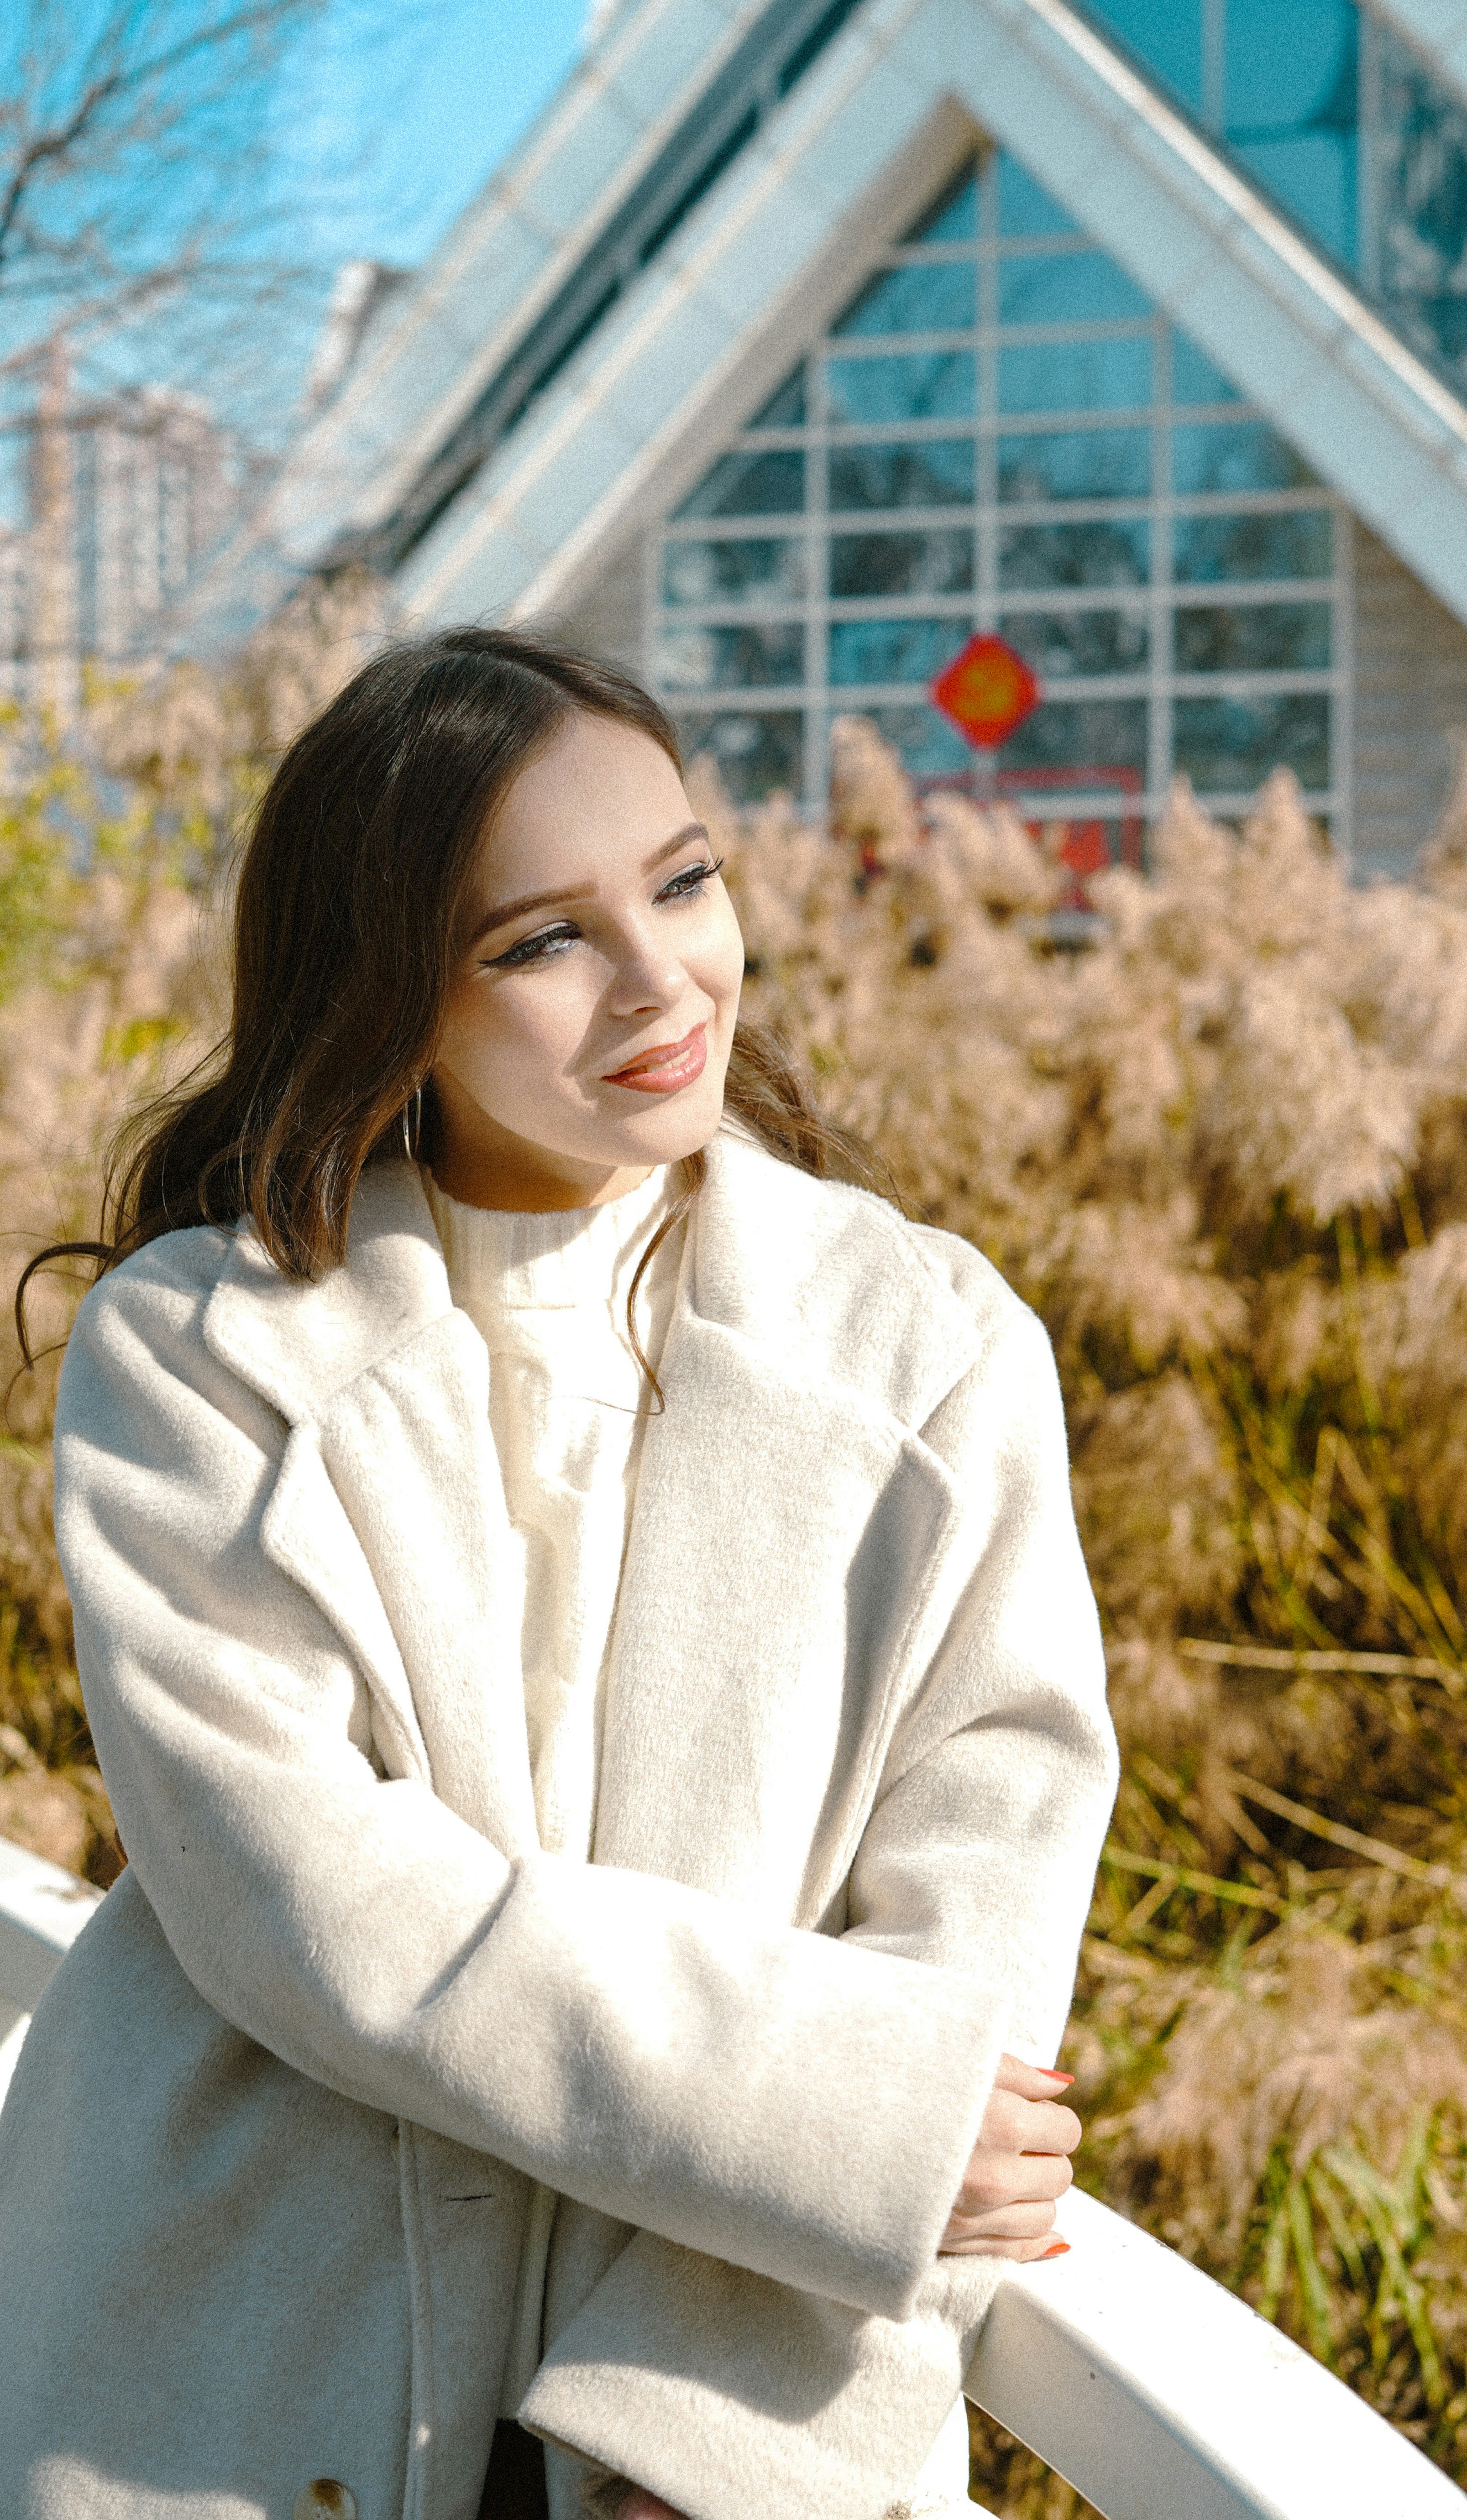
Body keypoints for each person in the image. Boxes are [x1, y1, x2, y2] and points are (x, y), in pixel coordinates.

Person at [0, 629, 1117, 2520]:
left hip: (722, 2407)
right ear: (388, 998)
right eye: (539, 942)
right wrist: (824, 2118)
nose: (659, 978)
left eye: (681, 880)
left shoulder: (933, 1345)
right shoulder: (196, 1348)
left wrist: (713, 2432)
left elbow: (975, 1950)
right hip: (228, 2368)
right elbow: (295, 1890)